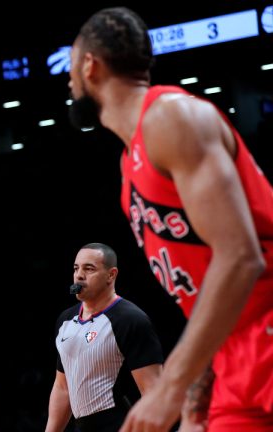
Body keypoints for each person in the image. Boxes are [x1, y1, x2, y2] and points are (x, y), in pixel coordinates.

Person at [67, 7, 273, 431]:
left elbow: (240, 257)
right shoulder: (130, 167)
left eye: (70, 68)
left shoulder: (170, 117)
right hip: (231, 353)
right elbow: (206, 293)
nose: (69, 82)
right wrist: (197, 394)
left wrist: (171, 386)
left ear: (90, 66)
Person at [45, 243, 163, 432]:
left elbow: (153, 392)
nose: (79, 275)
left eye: (89, 269)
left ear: (111, 275)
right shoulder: (65, 320)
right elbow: (62, 387)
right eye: (76, 268)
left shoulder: (130, 320)